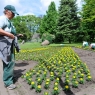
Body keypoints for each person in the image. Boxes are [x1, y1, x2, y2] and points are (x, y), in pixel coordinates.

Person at [0, 5, 19, 90]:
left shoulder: (8, 21)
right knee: (8, 62)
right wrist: (9, 34)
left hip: (9, 44)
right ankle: (8, 83)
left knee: (11, 62)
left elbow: (9, 32)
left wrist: (16, 35)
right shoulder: (3, 18)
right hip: (5, 44)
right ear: (7, 11)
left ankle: (9, 78)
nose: (14, 15)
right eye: (13, 13)